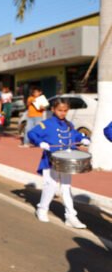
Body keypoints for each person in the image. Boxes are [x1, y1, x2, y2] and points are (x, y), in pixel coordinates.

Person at [27, 98, 89, 228]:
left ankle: (71, 216)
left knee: (66, 187)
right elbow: (31, 133)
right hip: (51, 160)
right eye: (60, 110)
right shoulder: (46, 124)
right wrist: (40, 142)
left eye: (65, 110)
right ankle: (42, 209)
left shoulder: (69, 125)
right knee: (50, 185)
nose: (62, 113)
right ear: (53, 109)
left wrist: (84, 138)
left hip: (66, 160)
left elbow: (76, 135)